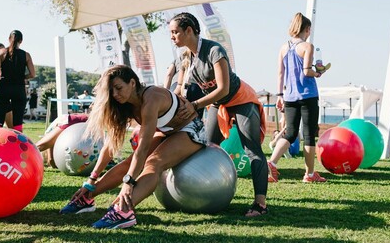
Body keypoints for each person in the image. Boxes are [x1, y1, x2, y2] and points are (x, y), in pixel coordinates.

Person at [60, 65, 204, 229]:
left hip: (192, 129)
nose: (115, 94)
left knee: (153, 163)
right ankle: (87, 199)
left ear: (133, 83)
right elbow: (110, 146)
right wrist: (91, 181)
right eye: (112, 91)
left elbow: (142, 149)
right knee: (130, 163)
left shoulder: (152, 98)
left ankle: (123, 212)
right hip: (167, 131)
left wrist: (128, 184)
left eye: (119, 88)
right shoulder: (126, 105)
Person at [168, 12, 269, 217]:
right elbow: (179, 89)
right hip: (216, 104)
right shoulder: (185, 56)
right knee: (204, 145)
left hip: (241, 99)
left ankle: (260, 204)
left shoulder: (214, 50)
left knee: (252, 150)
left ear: (189, 31)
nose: (171, 36)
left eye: (174, 32)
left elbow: (223, 89)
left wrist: (195, 105)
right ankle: (200, 191)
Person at [268, 13, 329, 184]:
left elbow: (280, 73)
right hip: (308, 95)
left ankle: (271, 163)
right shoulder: (307, 47)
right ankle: (309, 175)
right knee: (309, 135)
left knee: (290, 132)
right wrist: (318, 72)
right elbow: (306, 71)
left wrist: (279, 95)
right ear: (307, 29)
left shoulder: (283, 48)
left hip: (289, 96)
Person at [0, 30, 35, 132]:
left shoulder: (1, 53)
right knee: (18, 123)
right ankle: (18, 146)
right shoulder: (26, 55)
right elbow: (33, 74)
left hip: (3, 89)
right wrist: (21, 77)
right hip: (19, 89)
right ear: (21, 41)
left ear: (8, 39)